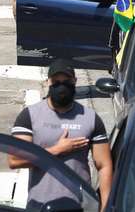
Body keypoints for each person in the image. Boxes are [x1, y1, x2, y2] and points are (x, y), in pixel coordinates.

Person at [9, 59, 113, 211]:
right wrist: (56, 150)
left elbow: (104, 166)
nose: (61, 85)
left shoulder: (90, 118)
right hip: (39, 206)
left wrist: (105, 208)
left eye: (67, 81)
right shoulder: (29, 116)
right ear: (47, 82)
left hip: (80, 207)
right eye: (56, 81)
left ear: (75, 81)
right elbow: (15, 160)